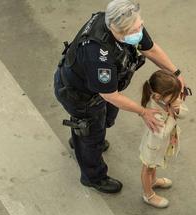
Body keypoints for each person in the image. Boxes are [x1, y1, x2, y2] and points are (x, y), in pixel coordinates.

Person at [54, 0, 185, 193]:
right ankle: (93, 176)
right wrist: (143, 112)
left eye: (140, 25)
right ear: (116, 30)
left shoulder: (126, 21)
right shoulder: (98, 55)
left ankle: (80, 141)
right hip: (80, 95)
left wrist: (177, 73)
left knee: (105, 119)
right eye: (135, 29)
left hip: (101, 90)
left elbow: (150, 48)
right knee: (93, 133)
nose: (139, 31)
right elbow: (110, 96)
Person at [138, 70, 187, 208]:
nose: (177, 98)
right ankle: (148, 195)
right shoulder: (153, 110)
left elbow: (184, 111)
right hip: (153, 146)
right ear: (158, 95)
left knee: (153, 166)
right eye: (174, 96)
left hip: (161, 145)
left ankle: (153, 181)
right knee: (148, 167)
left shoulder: (167, 99)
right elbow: (161, 133)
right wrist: (171, 116)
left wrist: (177, 109)